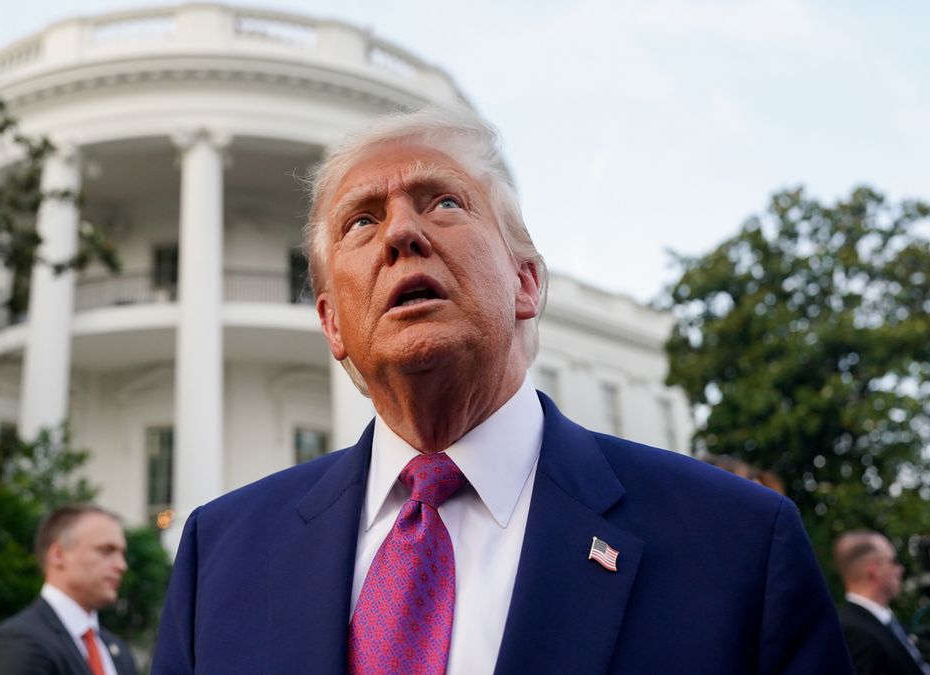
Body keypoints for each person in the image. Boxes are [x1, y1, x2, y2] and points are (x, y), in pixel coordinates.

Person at [151, 105, 854, 675]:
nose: (401, 232)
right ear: (332, 323)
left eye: (443, 201)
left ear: (525, 283)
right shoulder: (222, 554)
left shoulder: (738, 543)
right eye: (362, 220)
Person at [0, 504, 137, 675]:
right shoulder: (18, 643)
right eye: (106, 551)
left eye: (122, 554)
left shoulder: (118, 651)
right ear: (58, 555)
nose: (121, 565)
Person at [833, 530, 930, 675]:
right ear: (873, 569)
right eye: (894, 561)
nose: (900, 569)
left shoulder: (884, 623)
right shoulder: (855, 632)